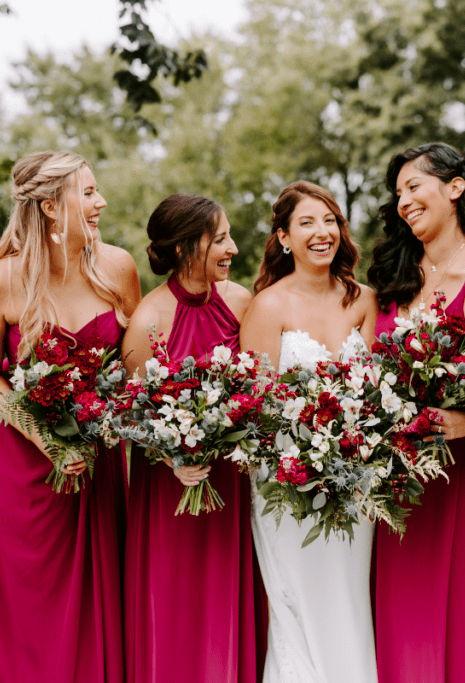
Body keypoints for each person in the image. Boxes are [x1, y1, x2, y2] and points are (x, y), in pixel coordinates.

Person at [0, 151, 141, 682]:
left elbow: (134, 367)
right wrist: (50, 440)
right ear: (47, 206)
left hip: (96, 454)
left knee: (97, 591)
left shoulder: (118, 267)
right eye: (87, 193)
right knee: (26, 597)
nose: (100, 202)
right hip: (20, 460)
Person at [367, 142, 465, 682]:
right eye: (398, 193)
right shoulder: (393, 272)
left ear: (455, 187)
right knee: (404, 615)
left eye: (414, 187)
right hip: (397, 481)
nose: (404, 201)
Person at [240, 180, 379, 683]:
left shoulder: (364, 299)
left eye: (330, 221)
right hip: (287, 483)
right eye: (307, 223)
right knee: (300, 608)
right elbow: (255, 406)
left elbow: (375, 392)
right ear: (283, 237)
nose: (322, 233)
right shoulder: (269, 306)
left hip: (355, 480)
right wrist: (303, 453)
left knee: (348, 598)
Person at [121, 194, 260, 683]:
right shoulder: (149, 321)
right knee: (176, 603)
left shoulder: (242, 302)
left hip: (232, 483)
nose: (234, 248)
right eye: (220, 239)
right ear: (185, 248)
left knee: (229, 595)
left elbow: (259, 390)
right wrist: (172, 459)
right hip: (170, 491)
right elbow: (133, 417)